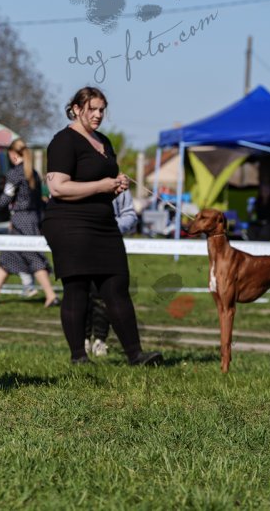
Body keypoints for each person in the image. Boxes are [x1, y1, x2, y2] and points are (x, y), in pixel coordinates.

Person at [40, 86, 161, 366]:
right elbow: (58, 188)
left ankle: (136, 355)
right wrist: (101, 185)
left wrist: (115, 187)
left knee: (116, 285)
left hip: (103, 223)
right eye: (92, 109)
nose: (97, 115)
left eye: (101, 110)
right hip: (69, 224)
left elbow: (101, 184)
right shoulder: (63, 141)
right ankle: (79, 357)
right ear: (76, 109)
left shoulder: (104, 142)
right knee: (77, 288)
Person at [0, 138, 60, 307]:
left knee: (33, 257)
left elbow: (5, 199)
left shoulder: (14, 174)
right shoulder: (33, 173)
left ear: (13, 155)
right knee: (7, 256)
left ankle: (51, 295)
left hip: (22, 220)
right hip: (33, 218)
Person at [84, 189, 139, 357]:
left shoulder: (118, 183)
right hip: (79, 241)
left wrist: (110, 228)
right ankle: (82, 340)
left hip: (108, 244)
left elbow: (130, 215)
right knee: (81, 292)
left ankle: (100, 340)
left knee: (104, 295)